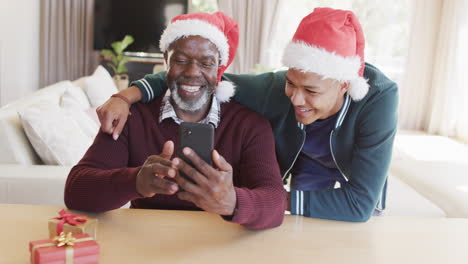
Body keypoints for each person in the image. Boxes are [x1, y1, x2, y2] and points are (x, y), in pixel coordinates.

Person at [97, 8, 398, 222]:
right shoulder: (274, 87)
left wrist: (251, 202)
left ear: (344, 85)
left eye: (311, 90)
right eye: (291, 83)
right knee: (305, 232)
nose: (295, 97)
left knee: (359, 222)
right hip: (307, 161)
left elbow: (358, 204)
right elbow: (197, 76)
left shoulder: (380, 100)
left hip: (350, 163)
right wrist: (125, 96)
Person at [65, 12, 286, 230]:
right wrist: (136, 182)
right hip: (147, 243)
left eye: (206, 63)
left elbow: (275, 203)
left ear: (219, 68)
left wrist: (232, 201)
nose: (192, 72)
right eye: (180, 60)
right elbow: (76, 191)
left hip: (220, 245)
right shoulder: (131, 117)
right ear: (166, 62)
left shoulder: (249, 125)